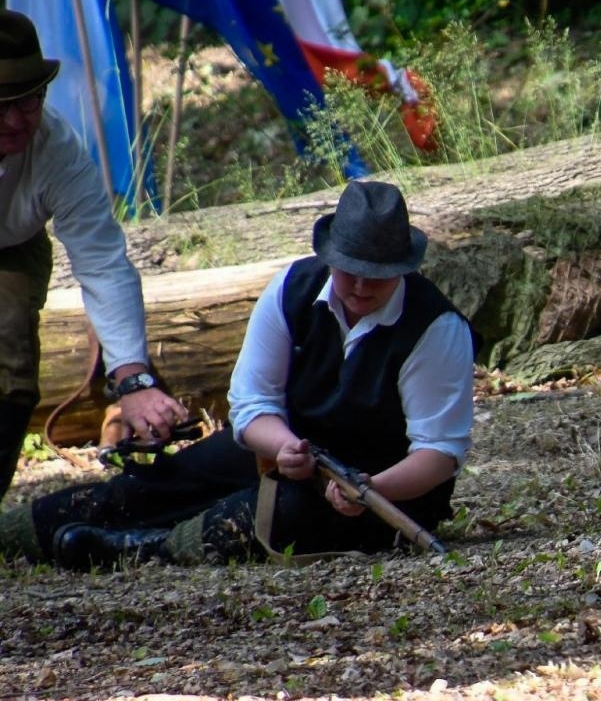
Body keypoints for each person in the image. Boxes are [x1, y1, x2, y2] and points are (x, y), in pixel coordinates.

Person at [0, 180, 476, 568]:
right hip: (286, 449)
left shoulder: (435, 327)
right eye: (349, 268)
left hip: (386, 486)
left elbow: (438, 453)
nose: (360, 284)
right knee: (162, 482)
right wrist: (283, 445)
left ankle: (134, 550)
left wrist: (370, 488)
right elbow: (251, 404)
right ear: (331, 256)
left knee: (261, 516)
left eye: (377, 272)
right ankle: (19, 533)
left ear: (401, 267)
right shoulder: (293, 288)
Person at [0, 9, 188, 499]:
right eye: (1, 105)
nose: (17, 119)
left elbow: (102, 262)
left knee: (10, 377)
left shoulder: (57, 150)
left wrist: (132, 377)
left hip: (10, 248)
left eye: (29, 101)